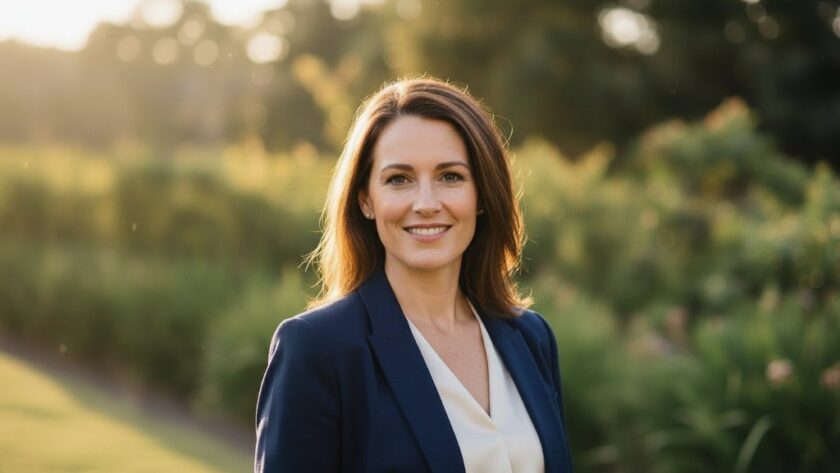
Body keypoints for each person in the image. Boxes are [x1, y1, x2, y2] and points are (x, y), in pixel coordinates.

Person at [255, 77, 573, 473]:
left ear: (482, 196)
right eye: (399, 179)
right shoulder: (318, 349)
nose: (425, 204)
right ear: (366, 199)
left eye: (450, 176)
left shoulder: (531, 337)